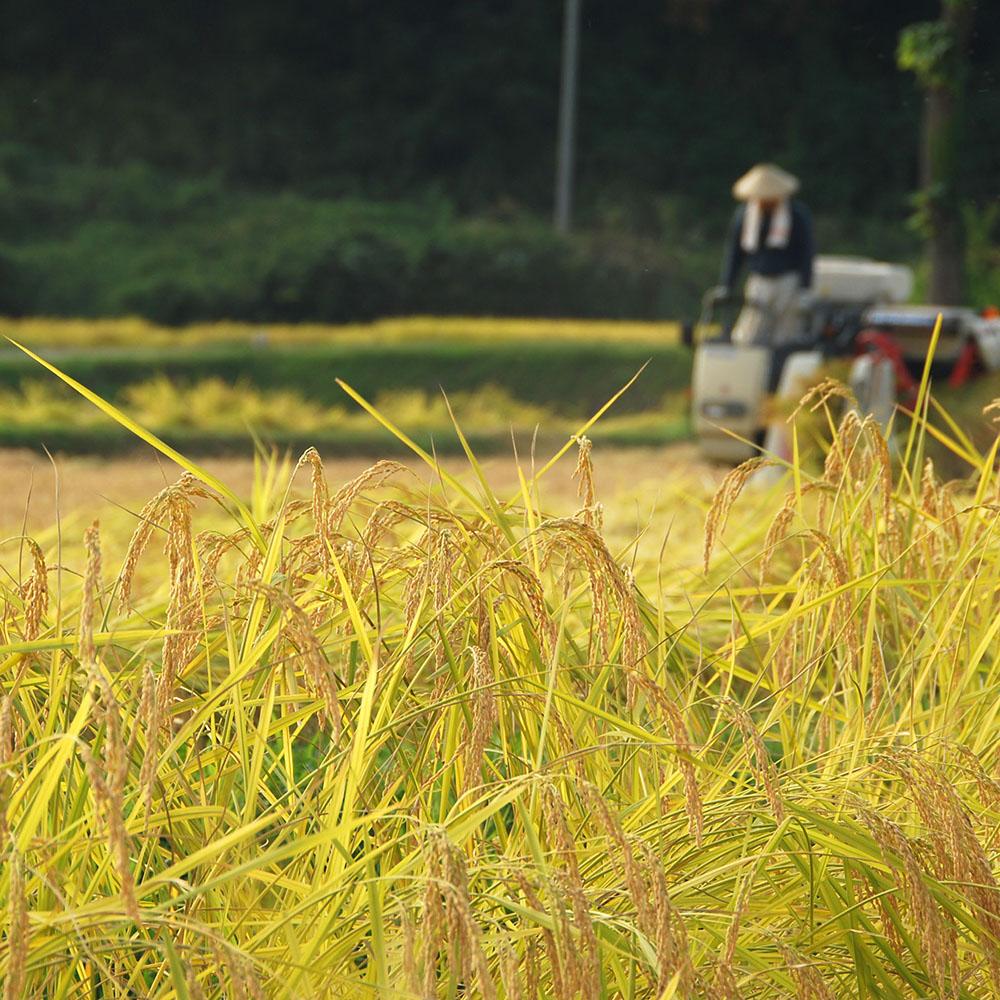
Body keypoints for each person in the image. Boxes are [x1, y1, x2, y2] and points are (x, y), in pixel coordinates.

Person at [716, 163, 815, 346]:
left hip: (788, 281)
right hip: (759, 281)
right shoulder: (745, 216)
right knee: (749, 334)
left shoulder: (796, 215)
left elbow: (806, 253)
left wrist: (805, 288)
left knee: (785, 335)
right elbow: (735, 253)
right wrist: (727, 284)